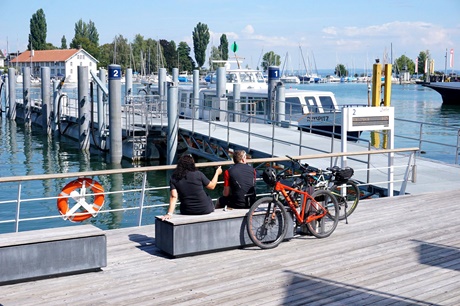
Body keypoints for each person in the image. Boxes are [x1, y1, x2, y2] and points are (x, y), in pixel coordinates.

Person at [161, 154, 222, 220]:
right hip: (205, 209)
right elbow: (212, 186)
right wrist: (217, 173)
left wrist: (169, 213)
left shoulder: (174, 177)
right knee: (209, 197)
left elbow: (174, 196)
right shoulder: (198, 174)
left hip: (187, 210)